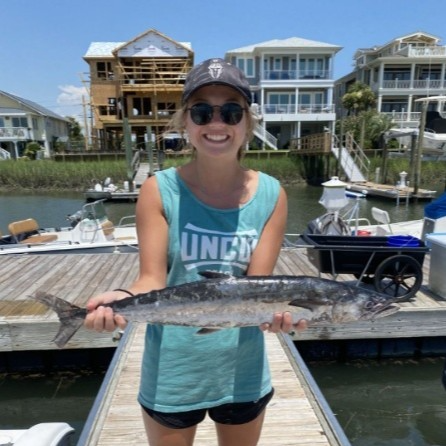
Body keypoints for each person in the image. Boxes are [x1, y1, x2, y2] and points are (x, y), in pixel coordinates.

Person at [84, 58, 306, 446]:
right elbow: (151, 279)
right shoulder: (158, 189)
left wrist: (284, 316)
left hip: (242, 367)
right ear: (186, 122)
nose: (216, 123)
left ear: (247, 122)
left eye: (231, 111)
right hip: (173, 367)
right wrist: (120, 301)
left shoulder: (273, 194)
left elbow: (259, 290)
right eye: (202, 112)